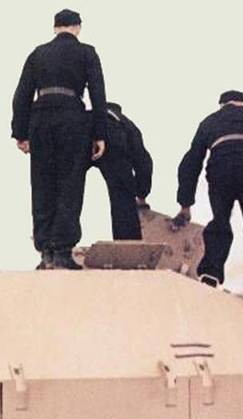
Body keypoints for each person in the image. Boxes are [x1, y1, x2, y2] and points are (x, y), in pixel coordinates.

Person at [173, 90, 243, 314]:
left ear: (221, 105)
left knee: (220, 222)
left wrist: (185, 203)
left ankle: (210, 275)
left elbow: (191, 161)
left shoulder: (209, 121)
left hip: (220, 171)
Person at [12, 8, 107, 270]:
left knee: (42, 184)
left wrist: (21, 133)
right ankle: (63, 250)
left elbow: (21, 95)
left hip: (40, 121)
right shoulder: (87, 52)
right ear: (77, 28)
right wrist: (99, 133)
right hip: (72, 119)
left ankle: (46, 252)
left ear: (55, 28)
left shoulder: (38, 53)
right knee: (70, 183)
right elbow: (98, 94)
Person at [91, 102, 153, 240]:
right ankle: (127, 241)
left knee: (69, 186)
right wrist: (141, 194)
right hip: (112, 134)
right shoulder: (126, 123)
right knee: (122, 191)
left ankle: (58, 243)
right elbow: (144, 162)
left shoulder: (89, 116)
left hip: (81, 129)